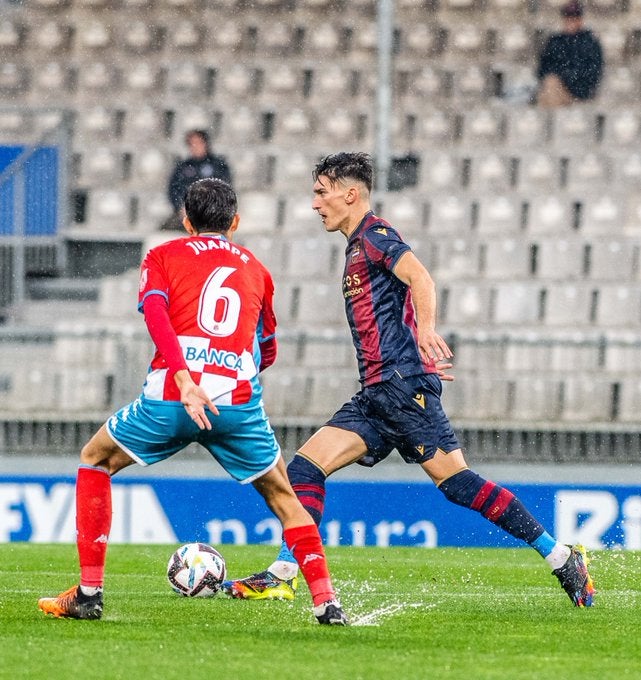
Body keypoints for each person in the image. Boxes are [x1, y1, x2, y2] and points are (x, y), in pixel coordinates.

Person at [221, 152, 595, 608]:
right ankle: (283, 573)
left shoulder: (376, 236)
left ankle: (561, 556)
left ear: (350, 194)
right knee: (304, 468)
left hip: (400, 388)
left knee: (457, 483)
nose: (315, 203)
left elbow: (420, 277)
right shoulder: (356, 246)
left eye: (321, 192)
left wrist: (425, 333)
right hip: (379, 392)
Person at [37, 178, 348, 626]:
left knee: (94, 459)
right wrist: (227, 372)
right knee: (285, 497)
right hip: (235, 405)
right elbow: (268, 350)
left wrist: (185, 377)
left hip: (172, 398)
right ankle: (326, 602)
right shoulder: (257, 271)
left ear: (186, 221)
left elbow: (156, 313)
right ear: (235, 222)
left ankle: (88, 594)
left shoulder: (162, 255)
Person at [536, 0, 603, 108]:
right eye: (568, 18)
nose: (571, 21)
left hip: (579, 93)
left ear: (580, 20)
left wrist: (567, 77)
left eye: (574, 18)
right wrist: (560, 75)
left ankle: (555, 116)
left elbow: (593, 72)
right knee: (548, 86)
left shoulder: (590, 42)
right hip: (556, 88)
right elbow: (542, 69)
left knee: (550, 85)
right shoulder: (555, 41)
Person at [161, 129, 233, 230]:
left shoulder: (218, 165)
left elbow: (224, 189)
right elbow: (174, 189)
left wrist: (209, 208)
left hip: (212, 214)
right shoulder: (183, 167)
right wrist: (181, 207)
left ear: (205, 143)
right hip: (186, 215)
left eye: (198, 143)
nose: (195, 146)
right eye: (192, 144)